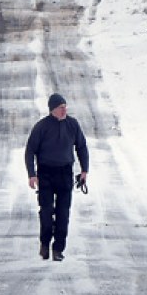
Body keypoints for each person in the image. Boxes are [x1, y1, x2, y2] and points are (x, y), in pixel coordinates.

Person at [25, 93, 89, 261]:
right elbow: (30, 150)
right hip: (45, 174)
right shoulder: (42, 127)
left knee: (63, 214)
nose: (64, 110)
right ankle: (45, 243)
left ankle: (58, 249)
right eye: (61, 107)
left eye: (65, 107)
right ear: (53, 109)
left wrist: (84, 170)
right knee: (46, 212)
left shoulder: (72, 124)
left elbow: (81, 147)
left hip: (65, 173)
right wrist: (32, 174)